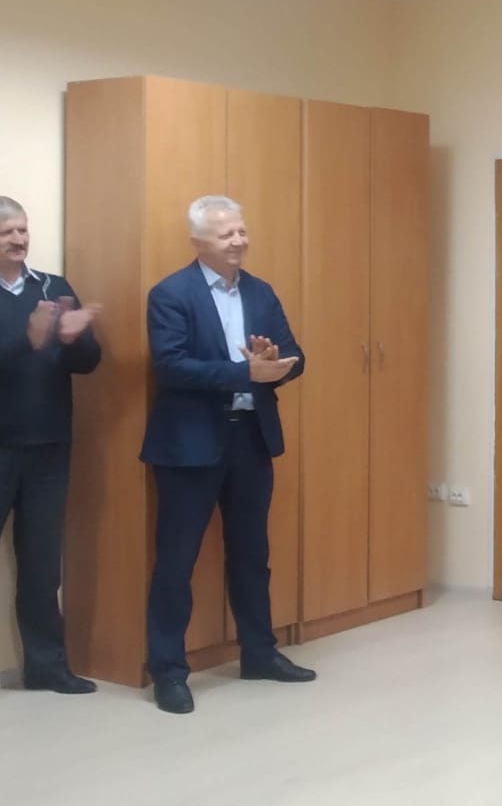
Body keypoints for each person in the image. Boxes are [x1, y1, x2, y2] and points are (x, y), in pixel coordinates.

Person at [142, 196, 311, 714]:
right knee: (176, 562)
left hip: (251, 438)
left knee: (252, 555)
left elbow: (295, 356)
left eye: (241, 231)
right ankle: (169, 671)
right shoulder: (171, 293)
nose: (238, 241)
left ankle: (259, 653)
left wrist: (274, 363)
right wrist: (244, 372)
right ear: (198, 242)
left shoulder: (260, 291)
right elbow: (170, 366)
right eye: (225, 235)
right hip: (189, 445)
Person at [0, 196, 101, 694]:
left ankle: (47, 669)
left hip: (49, 448)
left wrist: (76, 337)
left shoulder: (54, 287)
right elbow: (24, 347)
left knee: (42, 567)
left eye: (22, 230)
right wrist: (29, 339)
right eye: (7, 233)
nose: (18, 240)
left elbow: (88, 363)